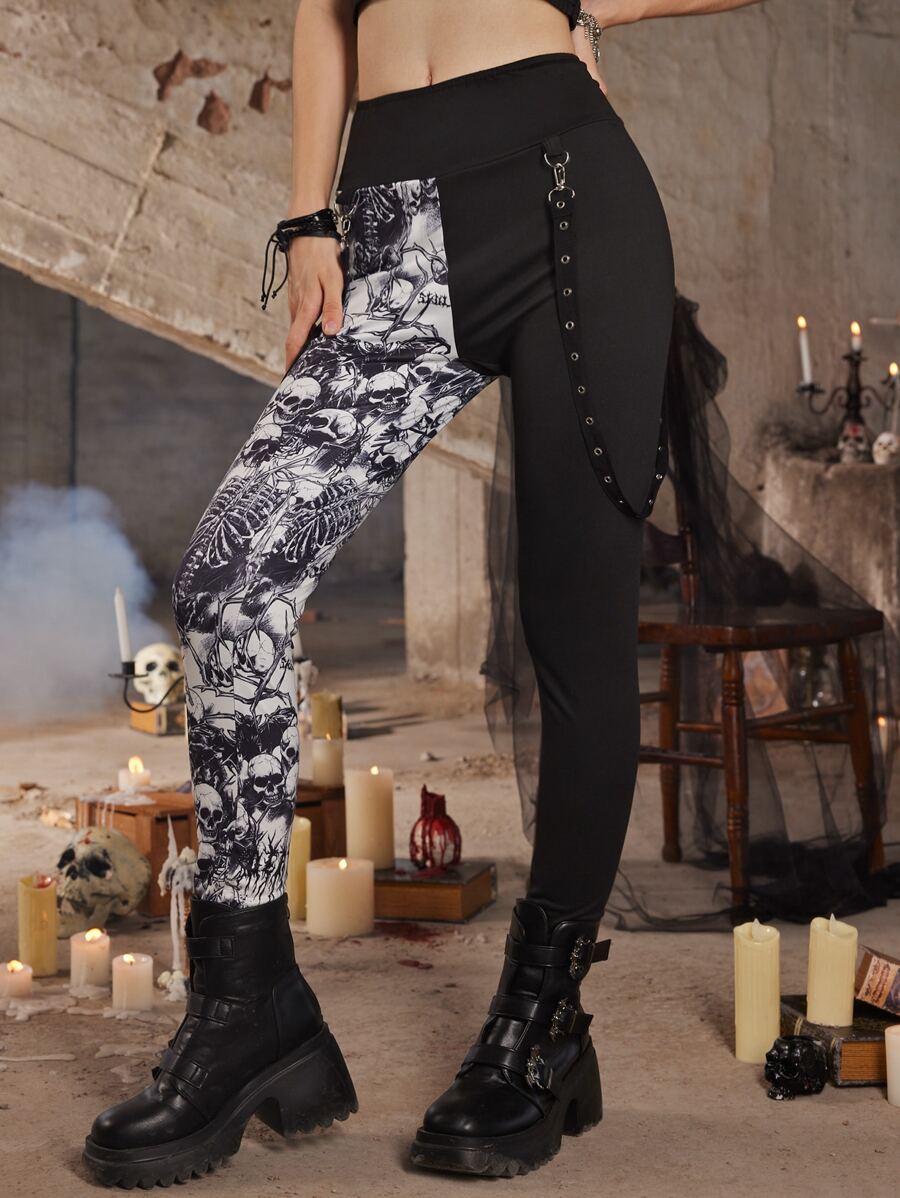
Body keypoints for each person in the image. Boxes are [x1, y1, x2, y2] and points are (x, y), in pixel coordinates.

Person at [83, 0, 761, 1186]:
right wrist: (308, 215)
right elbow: (322, 9)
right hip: (390, 222)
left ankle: (540, 1029)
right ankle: (249, 1006)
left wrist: (587, 4)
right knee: (233, 576)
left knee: (576, 634)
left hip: (570, 196)